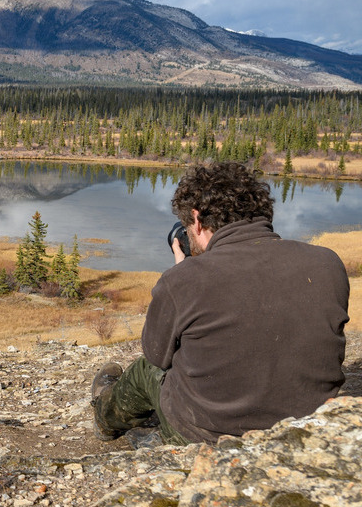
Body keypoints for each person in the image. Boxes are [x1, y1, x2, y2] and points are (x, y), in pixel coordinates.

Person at [92, 161, 350, 446]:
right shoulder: (327, 262)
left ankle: (106, 421)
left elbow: (157, 356)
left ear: (197, 219)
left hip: (209, 435)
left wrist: (181, 274)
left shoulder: (185, 279)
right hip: (303, 428)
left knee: (144, 372)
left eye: (187, 227)